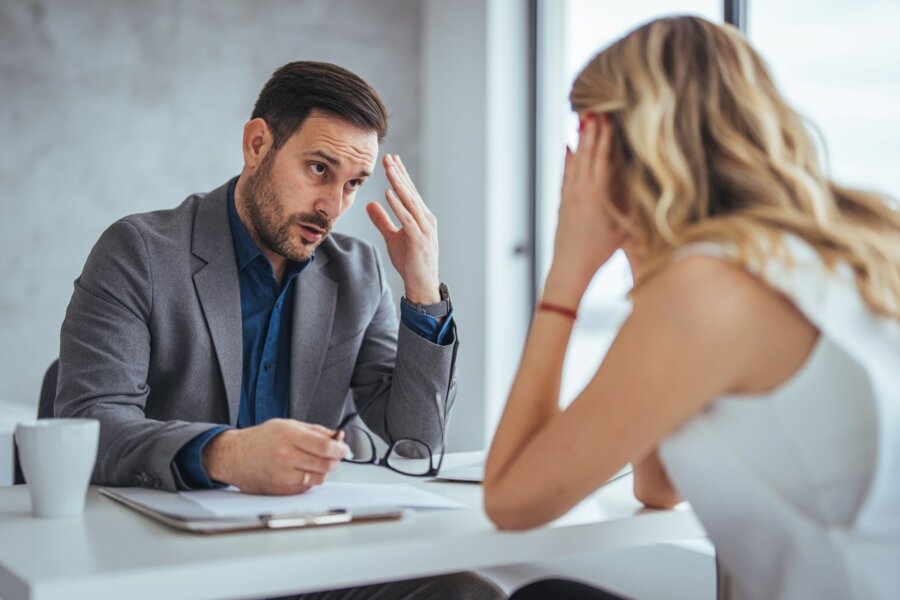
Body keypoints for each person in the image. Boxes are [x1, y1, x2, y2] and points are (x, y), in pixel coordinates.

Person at [484, 16, 900, 600]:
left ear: (621, 152)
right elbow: (660, 485)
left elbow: (509, 498)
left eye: (586, 145)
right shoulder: (850, 243)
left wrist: (568, 274)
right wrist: (641, 247)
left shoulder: (710, 288)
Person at [56, 60, 504, 599]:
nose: (332, 207)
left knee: (471, 594)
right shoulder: (139, 253)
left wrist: (423, 289)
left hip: (314, 560)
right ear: (257, 143)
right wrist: (225, 453)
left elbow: (418, 440)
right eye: (319, 169)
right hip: (174, 566)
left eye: (353, 184)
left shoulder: (357, 271)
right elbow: (90, 425)